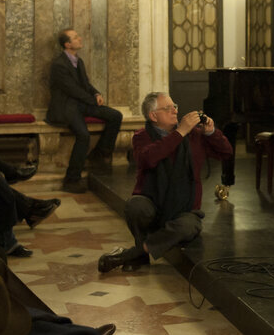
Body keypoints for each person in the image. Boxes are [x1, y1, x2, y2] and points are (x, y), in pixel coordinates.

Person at [99, 91, 232, 273]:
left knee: (188, 226)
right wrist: (180, 132)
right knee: (135, 206)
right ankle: (142, 252)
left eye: (174, 106)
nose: (175, 111)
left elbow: (226, 153)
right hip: (154, 205)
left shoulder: (193, 135)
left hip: (184, 210)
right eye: (168, 108)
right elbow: (148, 159)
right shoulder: (142, 136)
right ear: (153, 116)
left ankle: (136, 253)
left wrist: (211, 132)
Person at [46, 29, 123, 194]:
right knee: (83, 136)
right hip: (66, 107)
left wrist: (96, 94)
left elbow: (85, 84)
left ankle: (99, 154)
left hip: (80, 104)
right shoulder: (59, 64)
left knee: (115, 116)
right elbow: (71, 89)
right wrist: (92, 101)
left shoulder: (78, 61)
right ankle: (71, 179)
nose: (80, 39)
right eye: (75, 37)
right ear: (67, 44)